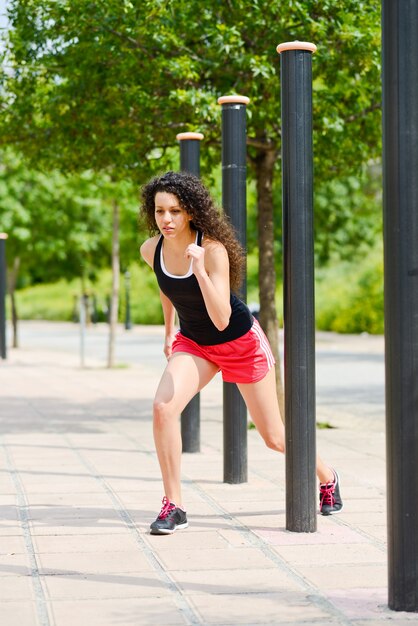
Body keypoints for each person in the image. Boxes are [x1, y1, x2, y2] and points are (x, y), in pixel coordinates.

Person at [139, 170, 343, 535]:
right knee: (162, 408)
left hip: (239, 342)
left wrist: (199, 269)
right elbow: (165, 285)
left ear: (190, 212)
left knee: (274, 437)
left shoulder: (213, 250)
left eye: (174, 211)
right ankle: (175, 505)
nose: (166, 220)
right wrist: (169, 328)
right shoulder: (151, 249)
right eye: (159, 212)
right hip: (195, 344)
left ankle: (327, 476)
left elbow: (220, 319)